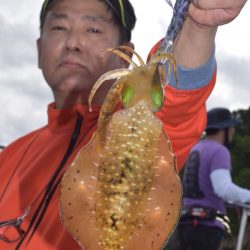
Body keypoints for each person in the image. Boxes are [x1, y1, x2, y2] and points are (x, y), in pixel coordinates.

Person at [0, 0, 247, 249]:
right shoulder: (8, 156)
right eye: (59, 28)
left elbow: (175, 100)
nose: (73, 43)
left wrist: (197, 26)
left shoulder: (138, 124)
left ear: (125, 55)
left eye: (93, 29)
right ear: (39, 49)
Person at [175, 107, 250, 250]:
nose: (233, 131)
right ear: (224, 129)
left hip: (186, 225)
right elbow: (223, 189)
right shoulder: (219, 151)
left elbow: (204, 190)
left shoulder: (196, 149)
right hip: (206, 228)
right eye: (232, 127)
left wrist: (232, 203)